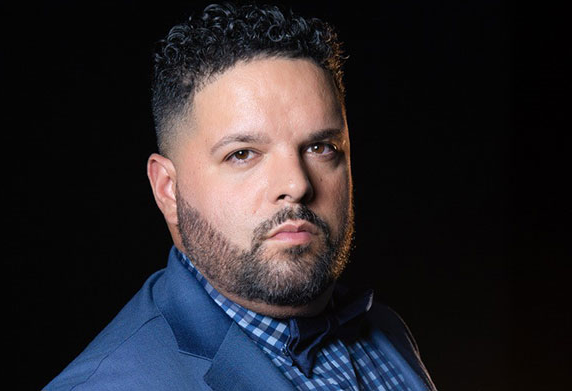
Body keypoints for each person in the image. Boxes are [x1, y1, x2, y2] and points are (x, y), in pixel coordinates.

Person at [44, 3, 436, 390]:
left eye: (320, 147)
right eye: (243, 154)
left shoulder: (387, 332)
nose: (297, 184)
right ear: (167, 189)